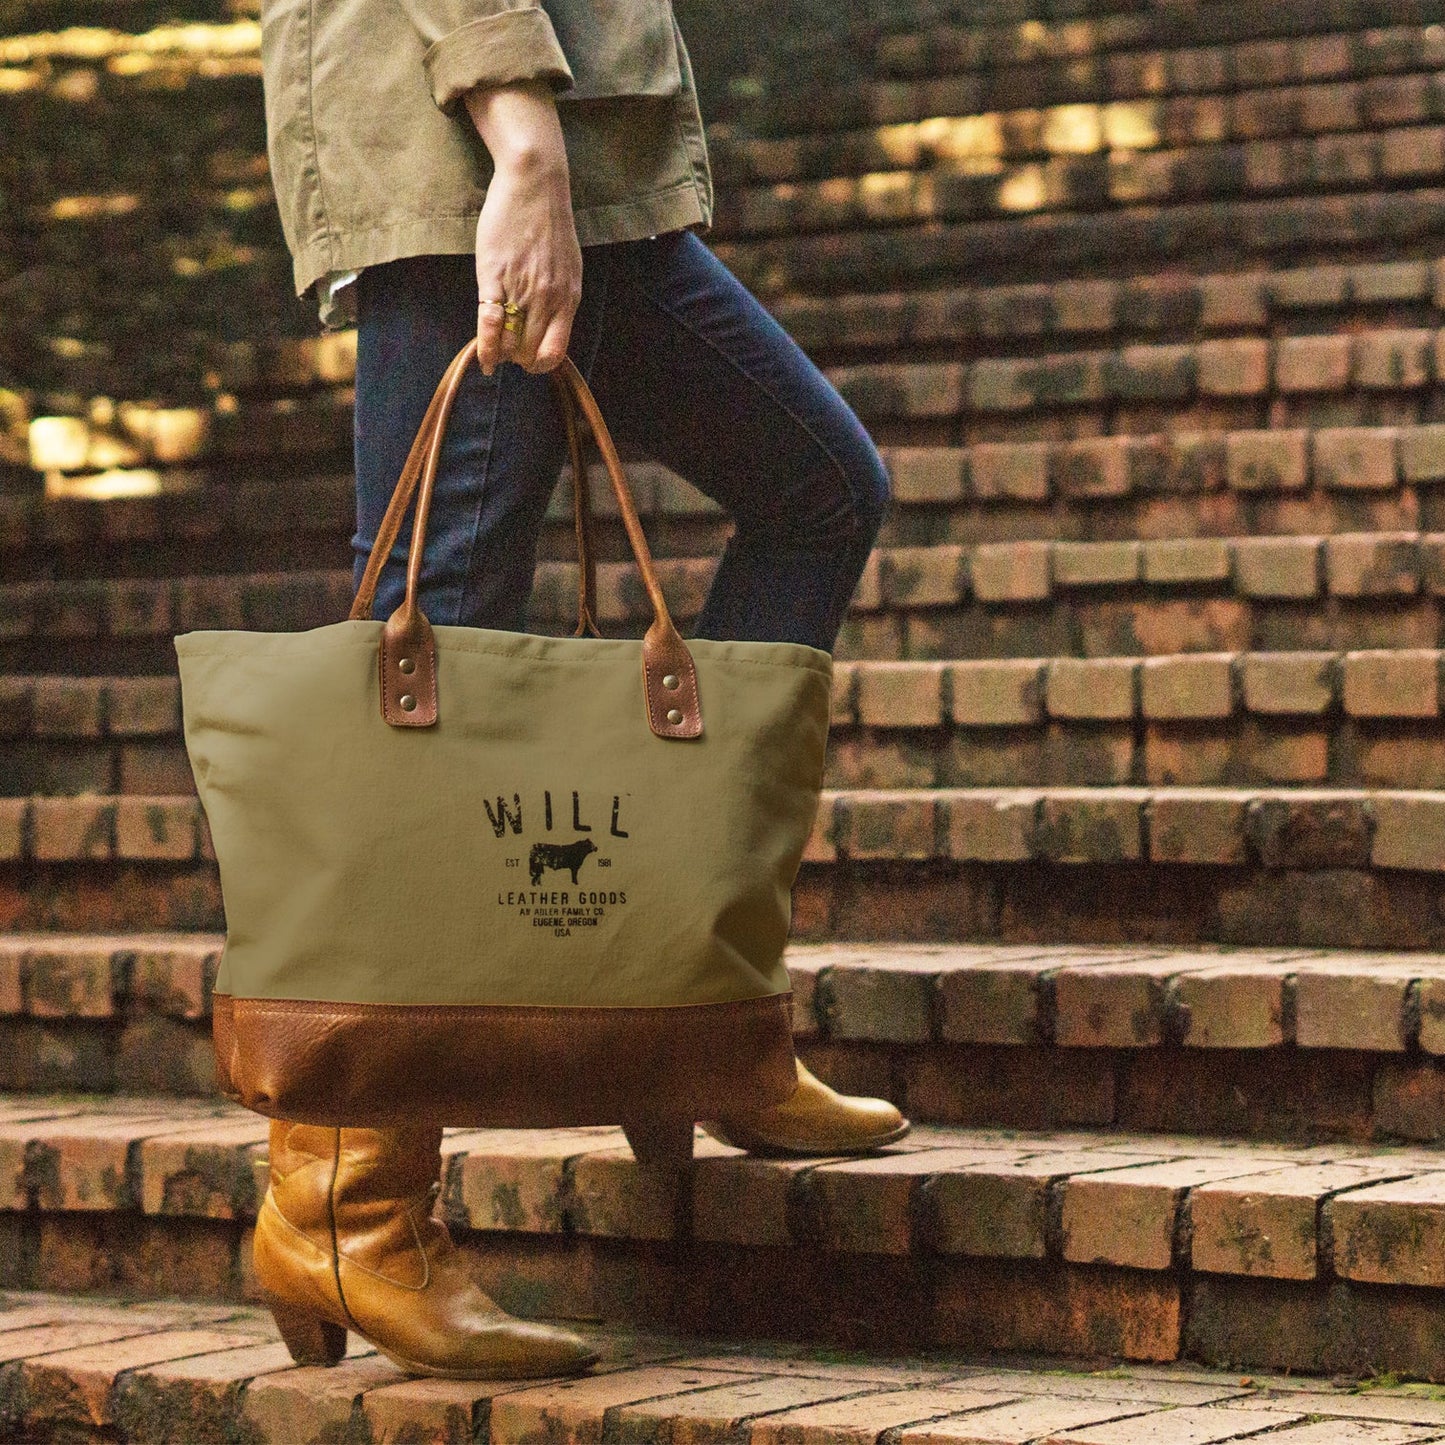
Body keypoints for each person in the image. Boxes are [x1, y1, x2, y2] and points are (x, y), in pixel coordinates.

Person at [252, 0, 909, 1380]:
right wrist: (521, 145)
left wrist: (556, 150)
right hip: (470, 158)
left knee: (814, 487)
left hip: (575, 162)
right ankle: (341, 1210)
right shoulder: (507, 154)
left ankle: (687, 1014)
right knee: (429, 663)